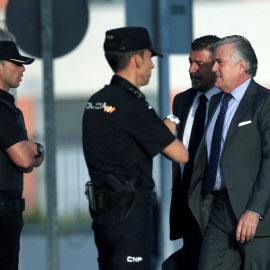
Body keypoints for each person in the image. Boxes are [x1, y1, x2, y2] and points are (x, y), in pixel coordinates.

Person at [82, 26, 188, 270]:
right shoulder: (132, 104)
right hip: (129, 216)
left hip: (104, 215)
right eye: (150, 58)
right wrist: (170, 123)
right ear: (137, 59)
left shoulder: (96, 101)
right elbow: (179, 153)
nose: (152, 65)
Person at [188, 35, 270, 269]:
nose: (213, 68)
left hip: (254, 216)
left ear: (241, 66)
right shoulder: (215, 103)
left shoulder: (264, 102)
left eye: (219, 62)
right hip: (218, 211)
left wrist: (254, 211)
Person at [162, 35, 220, 270]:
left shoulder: (230, 102)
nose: (191, 69)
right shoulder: (183, 100)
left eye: (200, 65)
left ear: (217, 65)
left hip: (217, 209)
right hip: (187, 208)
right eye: (190, 62)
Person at [0, 41, 45, 270]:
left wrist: (32, 150)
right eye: (16, 64)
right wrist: (38, 150)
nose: (22, 69)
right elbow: (26, 160)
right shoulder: (2, 109)